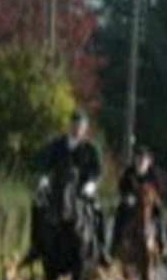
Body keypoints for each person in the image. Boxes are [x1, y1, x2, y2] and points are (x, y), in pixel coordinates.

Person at [21, 109, 107, 268]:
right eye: (74, 125)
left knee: (99, 210)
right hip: (57, 189)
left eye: (80, 126)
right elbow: (44, 164)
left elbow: (97, 171)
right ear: (70, 126)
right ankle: (35, 246)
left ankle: (101, 249)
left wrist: (91, 185)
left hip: (82, 191)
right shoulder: (57, 145)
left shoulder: (90, 149)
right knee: (37, 205)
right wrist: (44, 179)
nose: (77, 129)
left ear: (85, 129)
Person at [111, 145, 166, 257]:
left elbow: (159, 188)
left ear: (148, 161)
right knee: (119, 211)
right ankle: (115, 243)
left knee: (160, 212)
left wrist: (153, 198)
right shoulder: (129, 172)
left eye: (143, 159)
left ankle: (161, 241)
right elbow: (121, 187)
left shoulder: (153, 173)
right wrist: (127, 196)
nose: (140, 161)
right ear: (135, 160)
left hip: (149, 203)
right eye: (138, 158)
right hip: (132, 203)